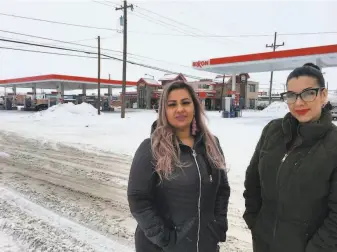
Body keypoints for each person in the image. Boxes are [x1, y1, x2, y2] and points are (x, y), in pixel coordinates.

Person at [243, 62, 337, 252]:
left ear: (323, 95)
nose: (298, 102)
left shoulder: (333, 145)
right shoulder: (272, 131)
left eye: (308, 93)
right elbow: (252, 181)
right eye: (292, 95)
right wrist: (255, 221)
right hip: (263, 243)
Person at [127, 80, 230, 252]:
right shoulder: (151, 149)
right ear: (164, 111)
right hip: (163, 248)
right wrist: (165, 239)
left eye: (185, 102)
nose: (180, 109)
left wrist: (217, 226)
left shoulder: (212, 144)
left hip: (205, 245)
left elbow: (222, 190)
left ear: (194, 107)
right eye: (172, 104)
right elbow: (138, 199)